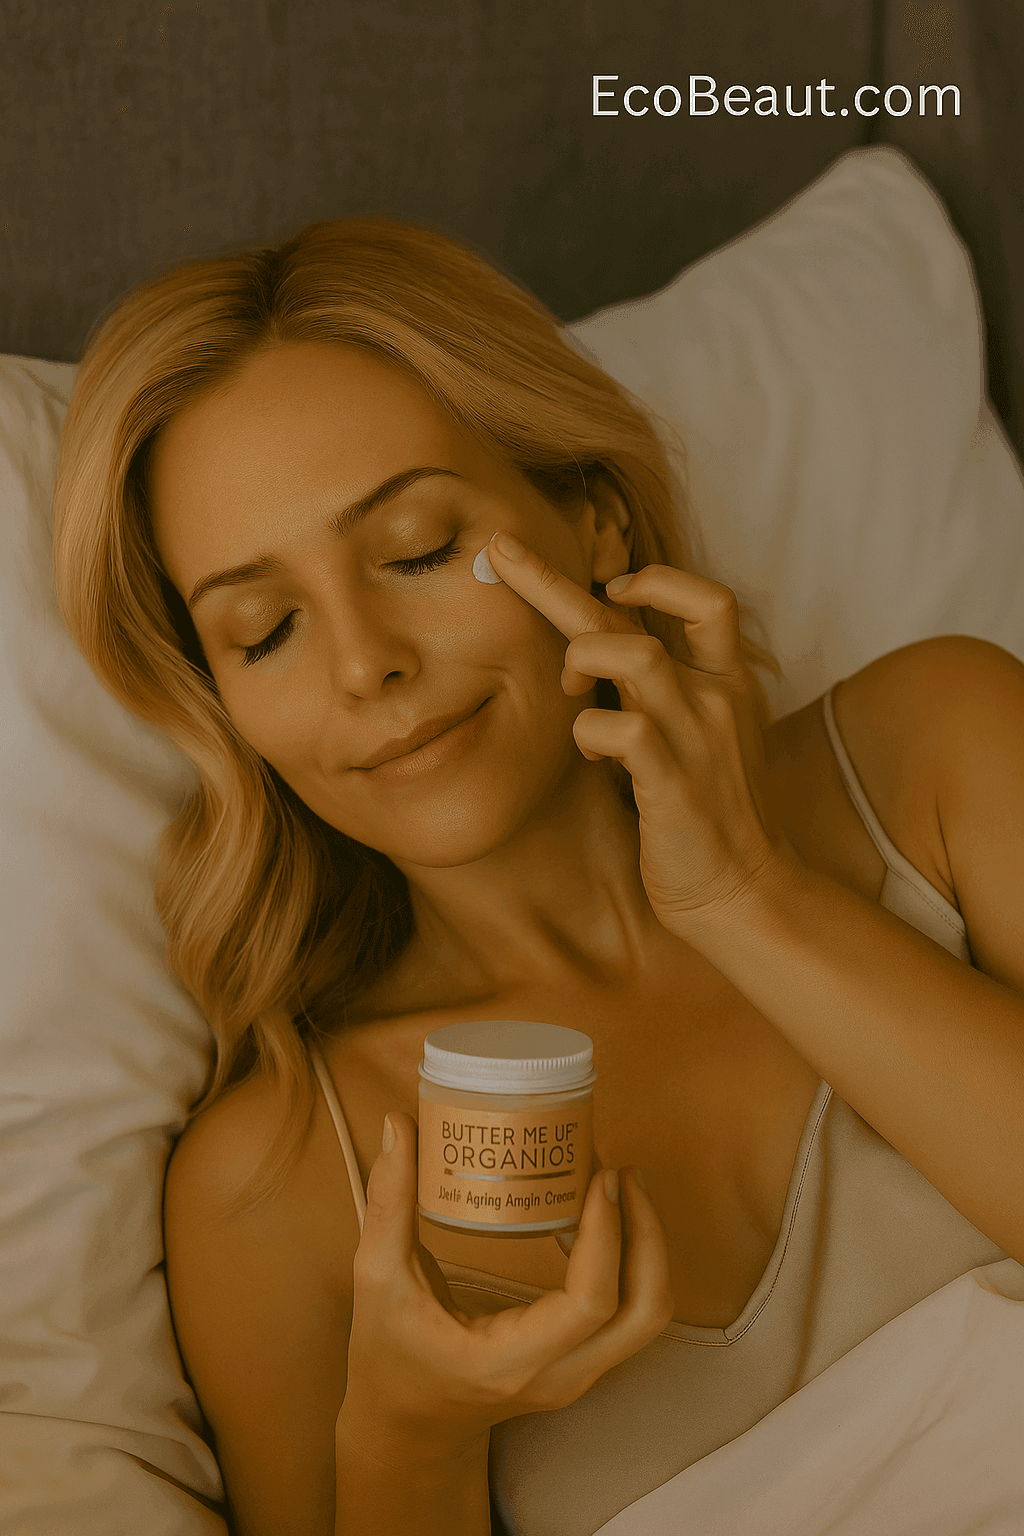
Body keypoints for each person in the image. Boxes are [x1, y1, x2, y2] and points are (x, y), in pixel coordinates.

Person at [51, 217, 1024, 1536]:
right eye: (264, 629)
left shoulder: (938, 754)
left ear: (591, 519)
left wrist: (746, 897)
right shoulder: (278, 1187)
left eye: (417, 549)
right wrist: (411, 1430)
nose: (365, 662)